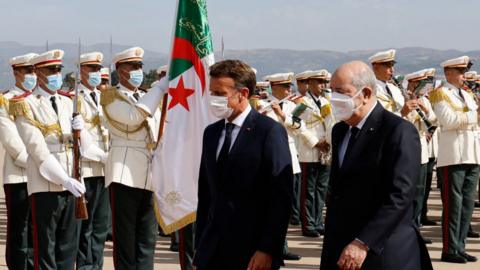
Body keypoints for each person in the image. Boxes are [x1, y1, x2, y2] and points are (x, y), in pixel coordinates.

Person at [320, 61, 432, 270]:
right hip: (341, 246)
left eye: (342, 92)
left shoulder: (398, 131)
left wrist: (364, 242)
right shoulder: (340, 131)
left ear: (366, 93)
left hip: (382, 250)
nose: (334, 98)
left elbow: (400, 196)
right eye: (332, 91)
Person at [193, 60, 293, 270]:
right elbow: (206, 195)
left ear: (243, 93)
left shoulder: (268, 131)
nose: (213, 99)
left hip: (252, 251)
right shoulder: (211, 133)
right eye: (212, 93)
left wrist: (268, 249)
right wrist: (200, 249)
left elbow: (281, 197)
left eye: (220, 94)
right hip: (213, 250)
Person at [10, 49, 90, 269]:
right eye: (50, 70)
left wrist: (81, 133)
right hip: (46, 183)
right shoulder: (25, 104)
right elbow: (38, 150)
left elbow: (83, 147)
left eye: (58, 69)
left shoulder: (69, 101)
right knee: (45, 249)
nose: (56, 74)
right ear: (38, 73)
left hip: (72, 182)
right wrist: (64, 179)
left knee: (67, 248)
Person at [100, 46, 164, 269]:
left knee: (147, 239)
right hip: (124, 172)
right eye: (133, 66)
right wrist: (159, 88)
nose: (137, 71)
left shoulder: (146, 96)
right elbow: (134, 117)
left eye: (140, 66)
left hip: (149, 173)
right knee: (126, 240)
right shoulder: (110, 97)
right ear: (120, 69)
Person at [429, 56, 480, 263]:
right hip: (453, 156)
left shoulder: (467, 95)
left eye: (464, 71)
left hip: (471, 154)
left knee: (467, 204)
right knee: (453, 205)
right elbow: (448, 121)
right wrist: (474, 116)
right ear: (448, 73)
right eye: (459, 72)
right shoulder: (440, 94)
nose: (463, 76)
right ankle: (449, 249)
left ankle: (460, 246)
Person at [260, 72, 303, 261]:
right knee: (268, 206)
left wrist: (282, 115)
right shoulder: (261, 105)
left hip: (289, 159)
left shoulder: (293, 105)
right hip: (268, 161)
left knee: (285, 204)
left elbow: (298, 127)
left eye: (289, 86)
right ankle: (270, 246)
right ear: (274, 87)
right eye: (285, 87)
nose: (289, 90)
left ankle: (282, 245)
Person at [0, 53, 37, 269]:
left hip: (43, 176)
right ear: (16, 73)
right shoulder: (6, 101)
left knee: (36, 230)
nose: (33, 75)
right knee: (19, 231)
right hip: (19, 175)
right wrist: (43, 165)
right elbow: (13, 144)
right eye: (28, 71)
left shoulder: (39, 100)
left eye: (35, 71)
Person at [76, 52, 111, 269]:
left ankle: (96, 264)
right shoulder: (74, 98)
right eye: (91, 69)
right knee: (85, 228)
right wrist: (109, 158)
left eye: (98, 69)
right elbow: (84, 143)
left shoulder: (104, 98)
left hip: (105, 171)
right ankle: (85, 266)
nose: (96, 73)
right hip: (88, 169)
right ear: (81, 71)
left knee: (100, 227)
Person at [297, 69, 334, 237]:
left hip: (325, 149)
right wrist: (315, 141)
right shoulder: (302, 102)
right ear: (309, 84)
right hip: (310, 149)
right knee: (308, 189)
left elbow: (331, 123)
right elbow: (295, 123)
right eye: (318, 82)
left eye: (323, 82)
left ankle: (318, 221)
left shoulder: (326, 101)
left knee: (321, 188)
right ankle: (308, 224)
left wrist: (328, 141)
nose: (322, 85)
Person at [403, 69, 437, 244]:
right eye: (421, 85)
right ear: (412, 84)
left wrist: (425, 109)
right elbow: (400, 123)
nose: (424, 89)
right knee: (407, 195)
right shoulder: (403, 99)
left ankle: (416, 230)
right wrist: (407, 108)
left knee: (419, 194)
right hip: (407, 152)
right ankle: (406, 232)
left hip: (422, 151)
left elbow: (433, 120)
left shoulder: (423, 100)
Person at [369, 49, 409, 117]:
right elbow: (376, 117)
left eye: (392, 65)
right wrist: (402, 113)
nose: (392, 70)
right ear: (376, 67)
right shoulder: (370, 90)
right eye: (387, 66)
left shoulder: (395, 89)